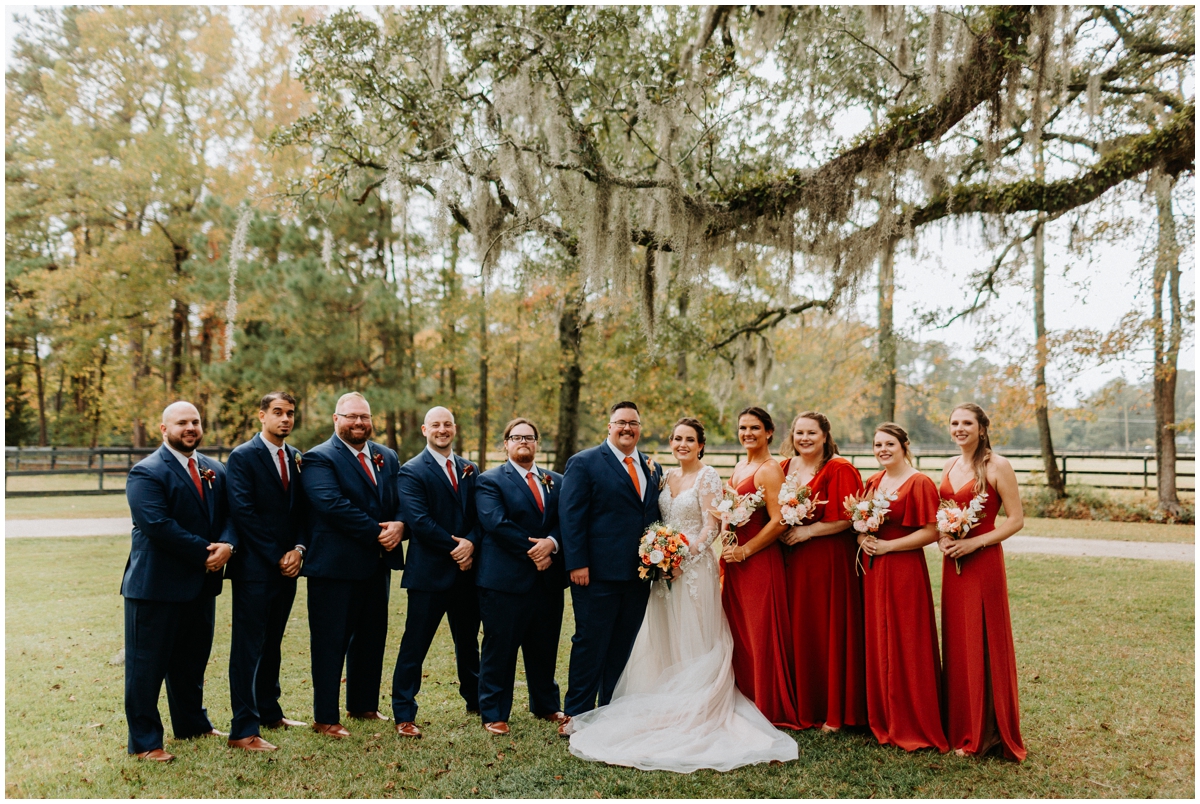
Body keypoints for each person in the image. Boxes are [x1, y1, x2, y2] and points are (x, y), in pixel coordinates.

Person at [567, 418, 798, 772]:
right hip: (662, 572)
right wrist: (660, 554)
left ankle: (695, 701)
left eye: (689, 439)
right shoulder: (663, 476)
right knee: (662, 633)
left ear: (701, 444)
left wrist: (682, 556)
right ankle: (663, 695)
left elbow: (712, 526)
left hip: (693, 569)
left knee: (693, 632)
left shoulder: (708, 477)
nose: (682, 444)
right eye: (676, 438)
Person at [121, 401, 237, 762]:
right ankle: (145, 742)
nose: (190, 427)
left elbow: (231, 515)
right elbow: (157, 526)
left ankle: (191, 723)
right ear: (163, 429)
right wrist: (208, 552)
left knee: (191, 661)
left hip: (201, 584)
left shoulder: (214, 468)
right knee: (146, 666)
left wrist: (228, 545)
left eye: (195, 421)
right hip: (155, 586)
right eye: (181, 422)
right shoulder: (146, 472)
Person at [301, 392, 405, 739]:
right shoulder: (319, 458)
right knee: (330, 641)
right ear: (336, 419)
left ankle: (363, 704)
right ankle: (325, 716)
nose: (359, 423)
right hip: (334, 567)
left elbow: (402, 498)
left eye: (364, 416)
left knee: (371, 637)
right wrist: (379, 532)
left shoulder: (386, 456)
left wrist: (401, 525)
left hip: (376, 566)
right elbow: (331, 504)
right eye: (351, 416)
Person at [558, 401, 663, 733]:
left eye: (633, 423)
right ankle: (575, 713)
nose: (627, 428)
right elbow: (571, 517)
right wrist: (577, 563)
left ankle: (610, 710)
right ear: (609, 426)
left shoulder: (651, 467)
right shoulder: (585, 462)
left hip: (638, 575)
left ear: (640, 428)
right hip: (595, 574)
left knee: (623, 644)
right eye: (621, 422)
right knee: (590, 642)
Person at [938, 404, 1027, 761]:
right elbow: (943, 513)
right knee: (959, 639)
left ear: (982, 427)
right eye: (954, 423)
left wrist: (975, 541)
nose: (960, 429)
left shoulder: (997, 465)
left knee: (983, 637)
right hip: (952, 562)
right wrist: (943, 538)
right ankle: (959, 724)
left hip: (983, 560)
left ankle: (985, 731)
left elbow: (1016, 519)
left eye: (967, 423)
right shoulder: (948, 465)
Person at [224, 391, 309, 752]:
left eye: (290, 413)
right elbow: (243, 512)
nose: (285, 419)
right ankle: (243, 729)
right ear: (261, 416)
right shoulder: (243, 456)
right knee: (248, 648)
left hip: (288, 568)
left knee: (272, 643)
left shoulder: (296, 457)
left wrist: (300, 550)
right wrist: (278, 555)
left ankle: (269, 711)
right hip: (254, 570)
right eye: (277, 412)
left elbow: (305, 510)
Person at [858, 422, 948, 753]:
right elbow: (860, 523)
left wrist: (888, 547)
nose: (882, 449)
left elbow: (931, 531)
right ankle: (883, 717)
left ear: (904, 445)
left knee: (907, 640)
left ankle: (913, 720)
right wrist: (864, 537)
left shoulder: (919, 482)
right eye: (877, 444)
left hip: (904, 568)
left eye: (889, 444)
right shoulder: (873, 481)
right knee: (880, 639)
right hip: (874, 569)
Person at [392, 406, 482, 738]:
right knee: (415, 644)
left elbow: (480, 515)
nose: (442, 429)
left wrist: (471, 543)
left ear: (454, 429)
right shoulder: (412, 471)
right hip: (429, 573)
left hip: (468, 572)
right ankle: (404, 712)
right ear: (424, 430)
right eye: (436, 425)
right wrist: (456, 548)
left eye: (447, 424)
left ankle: (476, 701)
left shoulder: (470, 469)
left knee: (469, 643)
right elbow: (418, 521)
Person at [474, 418, 568, 736]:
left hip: (547, 581)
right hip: (504, 580)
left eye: (529, 437)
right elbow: (496, 523)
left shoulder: (556, 480)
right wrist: (537, 552)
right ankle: (494, 712)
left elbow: (566, 520)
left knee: (544, 646)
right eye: (516, 437)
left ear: (537, 443)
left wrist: (552, 544)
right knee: (500, 648)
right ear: (506, 444)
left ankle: (545, 704)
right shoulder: (490, 481)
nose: (523, 441)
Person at [778, 411, 867, 732]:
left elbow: (849, 516)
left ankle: (834, 710)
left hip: (828, 560)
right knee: (802, 630)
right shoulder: (785, 467)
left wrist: (808, 532)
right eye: (799, 433)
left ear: (825, 436)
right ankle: (805, 704)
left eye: (811, 433)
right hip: (793, 561)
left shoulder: (839, 468)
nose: (804, 438)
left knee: (827, 629)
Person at [719, 406, 800, 730]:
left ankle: (767, 705)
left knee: (760, 632)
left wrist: (746, 551)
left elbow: (780, 520)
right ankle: (745, 698)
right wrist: (727, 541)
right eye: (743, 427)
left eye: (754, 427)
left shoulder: (769, 469)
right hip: (736, 560)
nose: (747, 433)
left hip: (758, 561)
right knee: (739, 633)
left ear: (768, 432)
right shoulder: (740, 465)